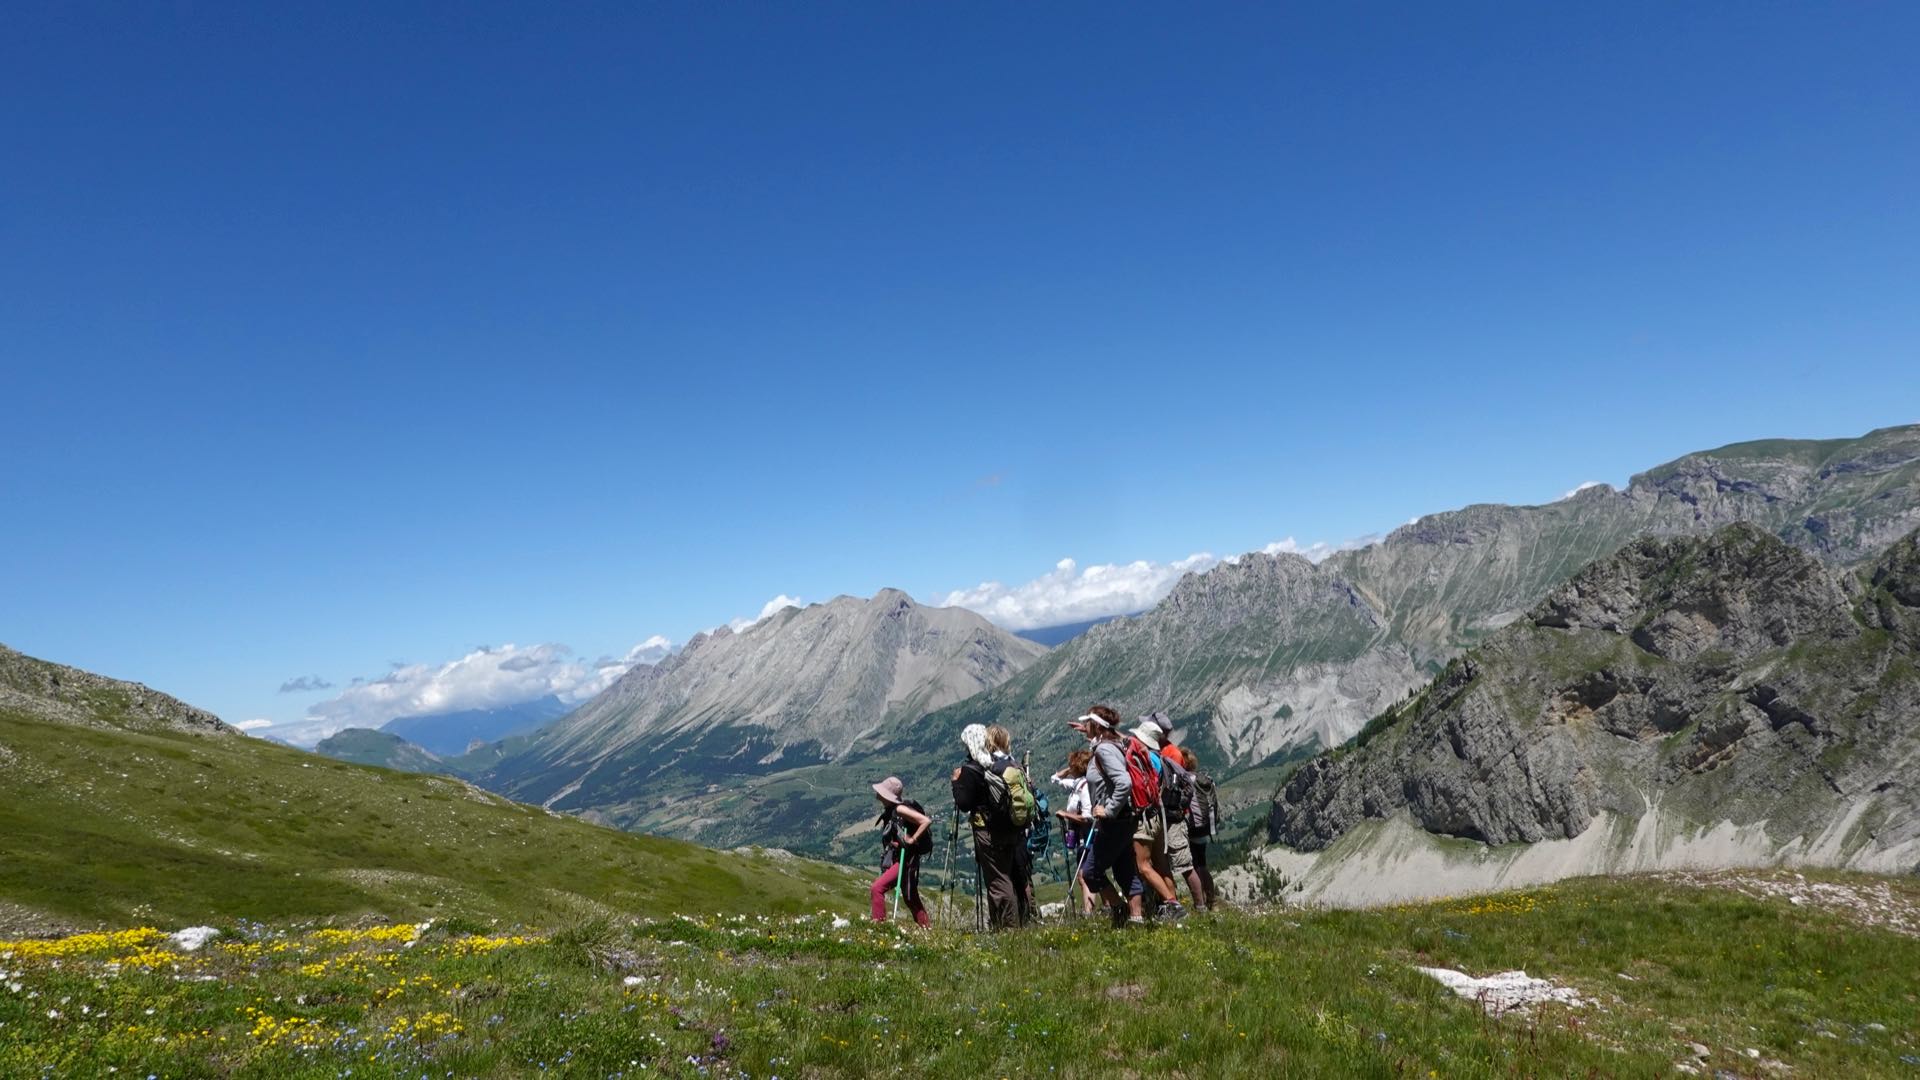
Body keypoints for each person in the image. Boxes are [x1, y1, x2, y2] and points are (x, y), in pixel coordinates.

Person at [1076, 705, 1146, 927]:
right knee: (1124, 868)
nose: (1085, 726)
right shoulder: (1114, 744)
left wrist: (1108, 809)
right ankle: (1136, 918)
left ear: (1096, 726)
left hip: (1114, 820)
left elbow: (1124, 782)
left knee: (1090, 871)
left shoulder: (1104, 751)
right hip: (1125, 819)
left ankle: (1120, 911)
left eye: (1088, 723)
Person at [952, 723, 1024, 929]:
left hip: (987, 831)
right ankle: (1001, 923)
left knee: (997, 880)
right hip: (1008, 829)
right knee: (1005, 875)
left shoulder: (971, 769)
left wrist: (956, 783)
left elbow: (964, 804)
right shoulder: (996, 764)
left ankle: (1008, 928)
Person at [1135, 713, 1206, 913]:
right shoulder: (1165, 752)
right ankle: (1171, 905)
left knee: (1184, 864)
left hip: (1173, 817)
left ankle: (1199, 907)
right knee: (1165, 864)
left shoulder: (1169, 754)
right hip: (1165, 816)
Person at [1124, 715, 1188, 922]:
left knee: (1143, 865)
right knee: (1162, 864)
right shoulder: (1159, 758)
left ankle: (1172, 903)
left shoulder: (1143, 758)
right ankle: (1173, 904)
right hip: (1159, 816)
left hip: (1145, 817)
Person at [983, 724, 1036, 924]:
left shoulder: (992, 767)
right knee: (1021, 874)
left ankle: (1007, 923)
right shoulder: (1016, 765)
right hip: (1020, 829)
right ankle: (1028, 916)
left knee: (1002, 877)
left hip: (1001, 829)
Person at [868, 776, 931, 927]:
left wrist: (912, 839)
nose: (878, 794)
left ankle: (879, 925)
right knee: (910, 898)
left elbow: (926, 821)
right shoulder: (891, 810)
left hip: (905, 859)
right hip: (900, 858)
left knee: (877, 888)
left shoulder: (899, 809)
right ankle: (927, 929)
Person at [1052, 748, 1096, 915]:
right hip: (1081, 837)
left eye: (1072, 765)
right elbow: (1054, 779)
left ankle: (1089, 911)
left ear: (1079, 767)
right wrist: (1069, 770)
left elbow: (1087, 817)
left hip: (1087, 836)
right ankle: (1095, 908)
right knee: (1085, 875)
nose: (1069, 768)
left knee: (1084, 875)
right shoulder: (1077, 784)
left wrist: (1066, 814)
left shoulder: (1084, 787)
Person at [1181, 748, 1220, 911]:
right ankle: (1212, 900)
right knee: (1202, 864)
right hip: (1204, 827)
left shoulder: (1183, 780)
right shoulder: (1203, 779)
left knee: (1193, 866)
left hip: (1190, 828)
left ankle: (1201, 902)